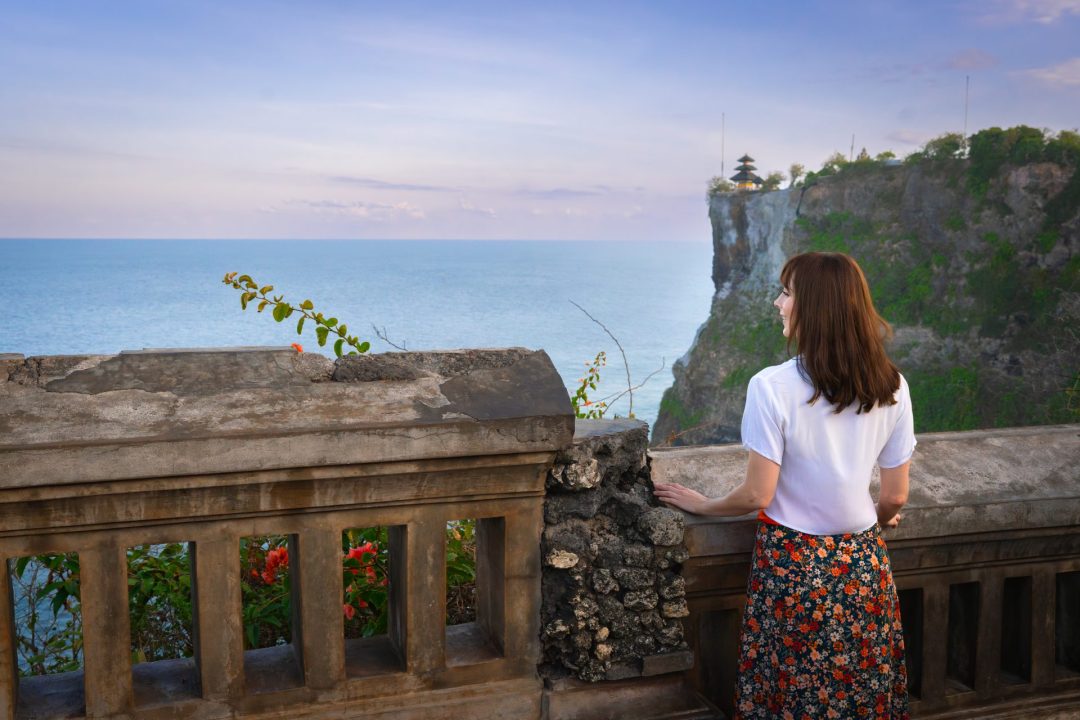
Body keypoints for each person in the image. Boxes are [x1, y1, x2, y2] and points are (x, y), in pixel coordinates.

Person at [653, 251, 914, 720]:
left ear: (814, 307)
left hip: (793, 565)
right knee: (865, 694)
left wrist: (704, 504)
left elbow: (757, 495)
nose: (778, 303)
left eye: (788, 293)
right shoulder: (892, 384)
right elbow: (894, 496)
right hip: (863, 563)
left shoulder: (772, 386)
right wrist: (876, 519)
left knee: (792, 695)